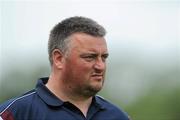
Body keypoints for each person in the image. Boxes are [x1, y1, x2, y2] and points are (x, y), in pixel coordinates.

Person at [0, 16, 130, 120]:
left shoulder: (117, 116)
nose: (100, 66)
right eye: (90, 57)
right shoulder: (14, 114)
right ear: (59, 59)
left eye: (104, 57)